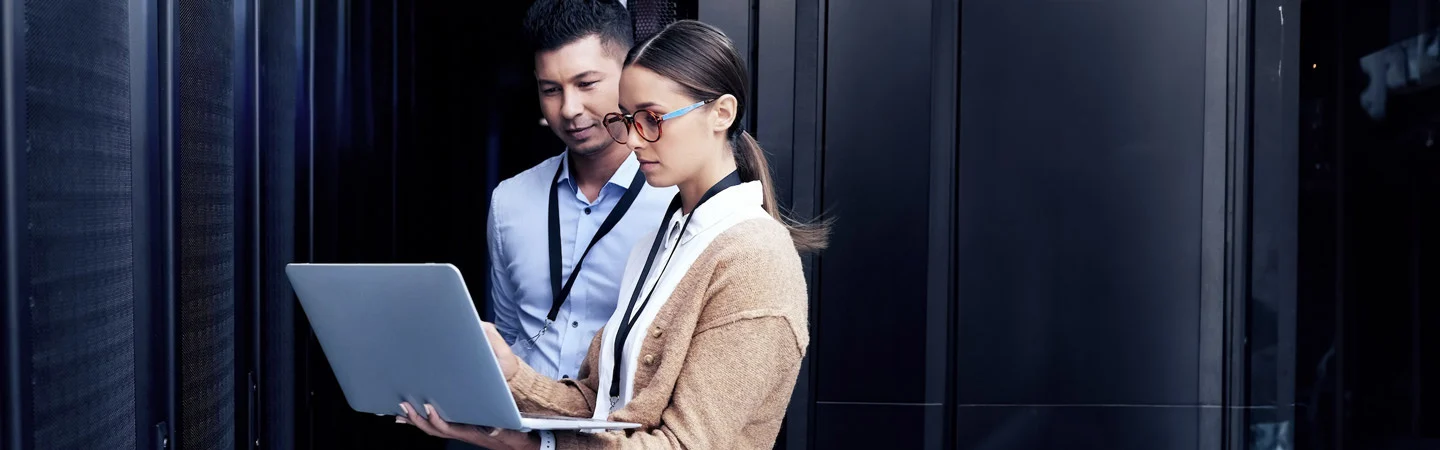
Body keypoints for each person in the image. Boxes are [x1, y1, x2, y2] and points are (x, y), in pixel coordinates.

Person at [401, 20, 829, 449]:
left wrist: (529, 445)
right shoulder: (660, 242)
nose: (635, 139)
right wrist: (512, 373)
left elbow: (685, 445)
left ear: (722, 113)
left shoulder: (755, 257)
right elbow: (601, 406)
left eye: (652, 118)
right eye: (627, 119)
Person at [487, 0, 675, 383]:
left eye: (586, 84)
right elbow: (506, 338)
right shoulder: (510, 200)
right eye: (551, 89)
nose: (569, 108)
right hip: (519, 432)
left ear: (629, 75)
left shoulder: (676, 199)